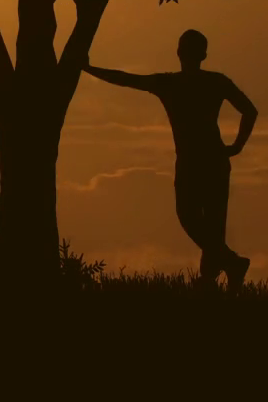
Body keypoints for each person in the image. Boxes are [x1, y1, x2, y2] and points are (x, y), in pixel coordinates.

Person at [84, 30, 258, 288]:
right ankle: (221, 272)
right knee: (210, 226)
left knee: (191, 218)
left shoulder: (170, 83)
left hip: (195, 161)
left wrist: (89, 69)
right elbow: (249, 111)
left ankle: (224, 269)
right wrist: (236, 146)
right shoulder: (213, 81)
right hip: (214, 160)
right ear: (203, 55)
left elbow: (126, 79)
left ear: (179, 53)